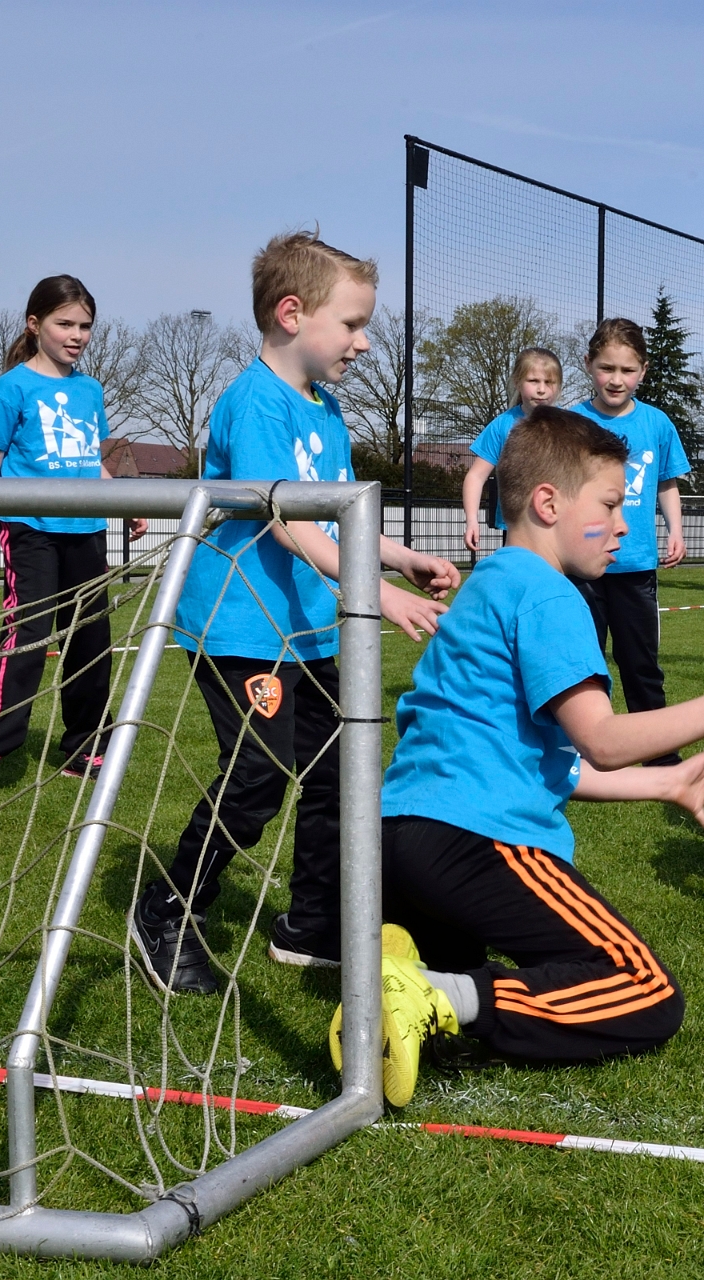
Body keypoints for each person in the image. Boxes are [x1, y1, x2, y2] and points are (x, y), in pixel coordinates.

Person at [353, 407, 704, 1105]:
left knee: (520, 965)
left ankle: (408, 963)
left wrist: (663, 784)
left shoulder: (489, 585)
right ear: (548, 503)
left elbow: (546, 763)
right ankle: (438, 994)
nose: (624, 523)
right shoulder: (549, 592)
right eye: (609, 503)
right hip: (477, 844)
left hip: (397, 847)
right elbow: (598, 736)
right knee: (645, 990)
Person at [133, 230, 461, 994]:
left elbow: (339, 512)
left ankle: (309, 922)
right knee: (257, 773)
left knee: (337, 772)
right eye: (351, 323)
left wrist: (400, 555)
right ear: (292, 313)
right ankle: (168, 910)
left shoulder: (327, 409)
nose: (365, 340)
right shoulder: (257, 405)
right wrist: (377, 595)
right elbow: (287, 519)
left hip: (308, 629)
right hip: (244, 629)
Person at [0, 275, 146, 797]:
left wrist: (126, 503)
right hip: (31, 531)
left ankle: (86, 747)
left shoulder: (90, 389)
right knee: (28, 639)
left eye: (85, 325)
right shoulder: (11, 387)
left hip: (86, 531)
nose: (77, 334)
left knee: (91, 640)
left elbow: (88, 460)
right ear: (35, 324)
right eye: (65, 323)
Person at [570, 319, 690, 765]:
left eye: (627, 369)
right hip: (580, 568)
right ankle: (573, 748)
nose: (616, 379)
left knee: (640, 664)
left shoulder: (656, 423)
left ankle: (656, 753)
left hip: (635, 565)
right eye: (606, 368)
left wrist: (675, 529)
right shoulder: (571, 422)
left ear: (643, 370)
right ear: (588, 365)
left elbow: (665, 483)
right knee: (579, 663)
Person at [462, 346, 564, 554]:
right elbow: (475, 476)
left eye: (549, 382)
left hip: (559, 525)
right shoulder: (502, 425)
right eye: (533, 381)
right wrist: (472, 520)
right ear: (517, 382)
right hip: (517, 528)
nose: (541, 389)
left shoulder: (569, 426)